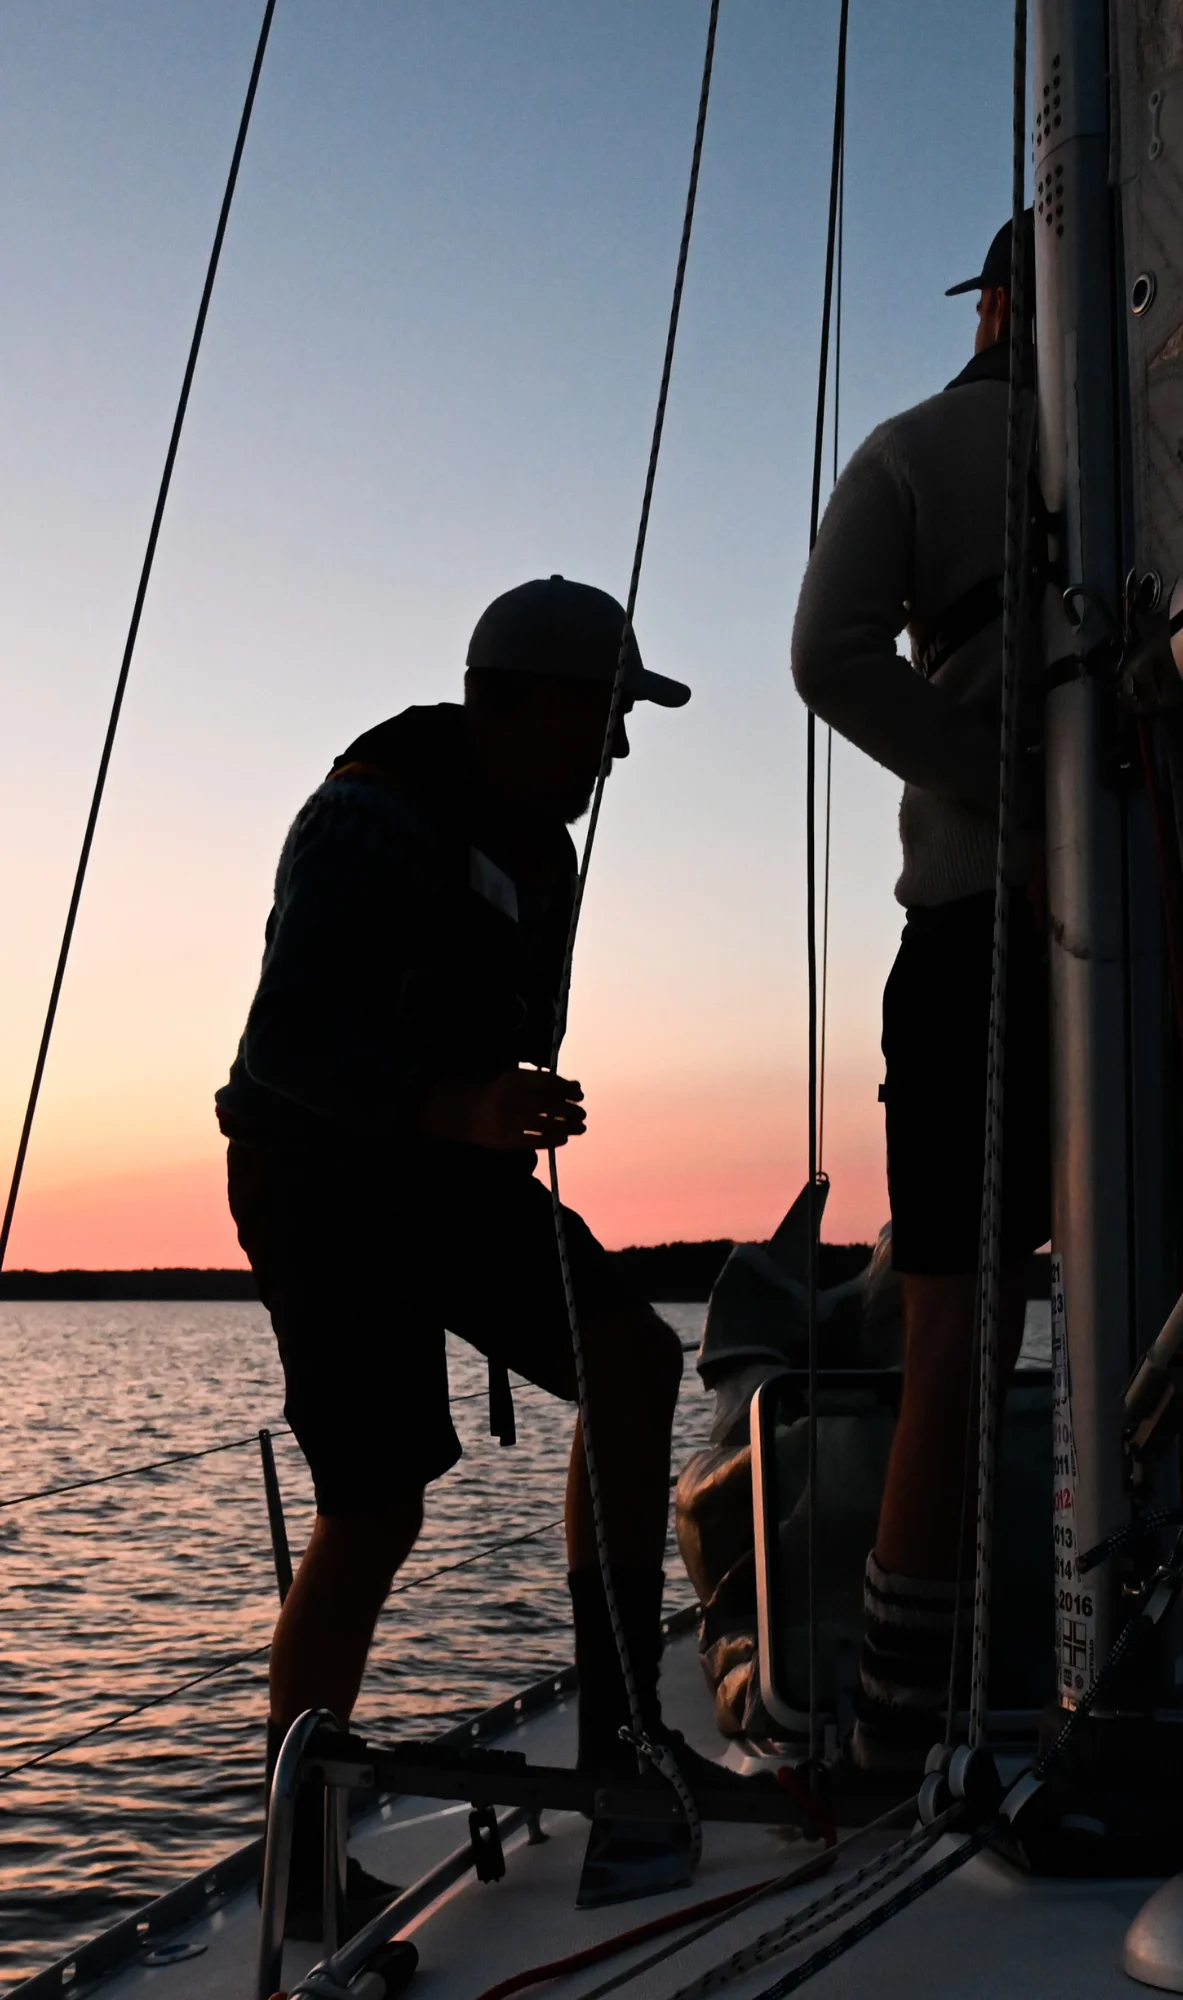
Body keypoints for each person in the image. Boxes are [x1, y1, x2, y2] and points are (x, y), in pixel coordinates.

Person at [790, 219, 1183, 1775]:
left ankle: (903, 1735)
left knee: (958, 1341)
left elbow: (830, 655)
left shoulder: (914, 452)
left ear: (989, 312)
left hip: (977, 934)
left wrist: (1015, 812)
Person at [217, 578, 710, 1934]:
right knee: (375, 1508)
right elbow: (287, 1051)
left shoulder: (542, 852)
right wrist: (461, 1105)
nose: (617, 750)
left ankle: (622, 1750)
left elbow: (488, 1025)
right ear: (544, 704)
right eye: (609, 716)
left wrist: (505, 1101)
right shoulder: (372, 811)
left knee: (631, 1355)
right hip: (319, 1177)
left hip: (449, 1177)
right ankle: (302, 1864)